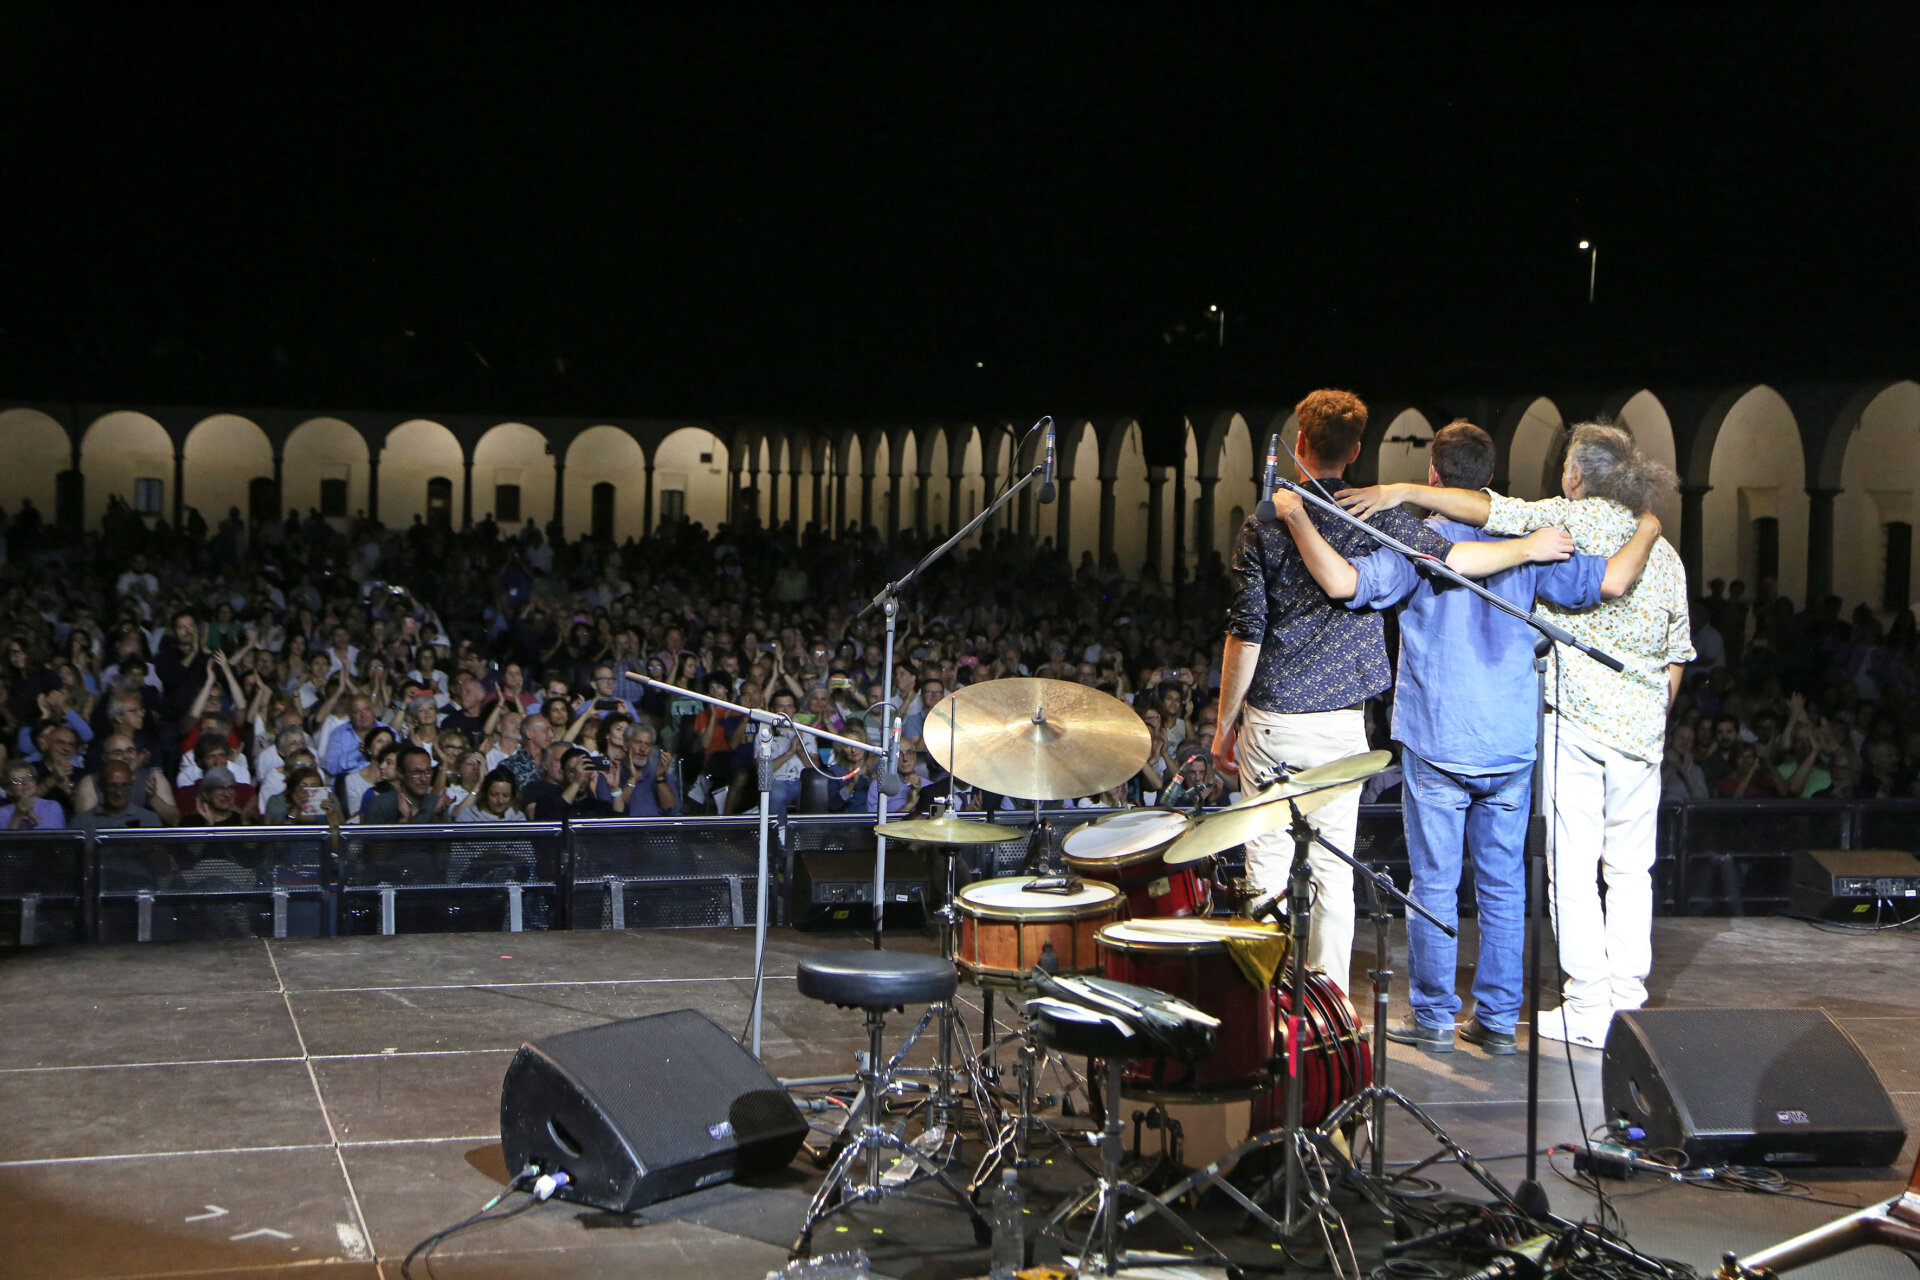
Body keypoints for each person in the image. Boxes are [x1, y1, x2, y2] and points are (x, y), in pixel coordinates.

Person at [1279, 420, 1661, 1054]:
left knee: (1434, 883)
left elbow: (1345, 584)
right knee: (1503, 886)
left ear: (1433, 477)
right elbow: (1608, 581)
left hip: (1436, 741)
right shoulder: (1528, 542)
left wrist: (1297, 517)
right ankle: (1496, 1024)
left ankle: (1433, 1021)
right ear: (1489, 483)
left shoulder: (1419, 544)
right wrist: (1648, 527)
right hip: (1508, 742)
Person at [1210, 389, 1577, 986]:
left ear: (1299, 444)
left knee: (1269, 861)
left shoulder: (1266, 523)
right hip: (1344, 725)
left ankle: (1263, 1004)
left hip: (1274, 722)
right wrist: (1530, 547)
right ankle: (1330, 1009)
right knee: (1332, 868)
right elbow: (1455, 558)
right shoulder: (1382, 520)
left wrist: (1224, 727)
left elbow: (1245, 636)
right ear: (1355, 452)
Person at [359, 745, 450, 823]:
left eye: (427, 772)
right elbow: (374, 843)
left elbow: (447, 843)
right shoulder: (379, 805)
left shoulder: (437, 804)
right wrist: (403, 821)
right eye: (416, 772)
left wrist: (439, 817)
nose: (423, 778)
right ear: (400, 773)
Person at [1, 762, 66, 829]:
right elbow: (6, 839)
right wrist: (17, 816)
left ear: (35, 782)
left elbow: (55, 837)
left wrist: (32, 815)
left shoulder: (52, 807)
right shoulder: (2, 813)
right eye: (17, 781)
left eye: (28, 778)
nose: (25, 783)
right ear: (9, 790)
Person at [457, 766, 527, 821]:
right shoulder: (467, 816)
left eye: (505, 795)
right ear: (485, 793)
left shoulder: (519, 818)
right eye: (494, 795)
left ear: (512, 796)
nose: (500, 801)